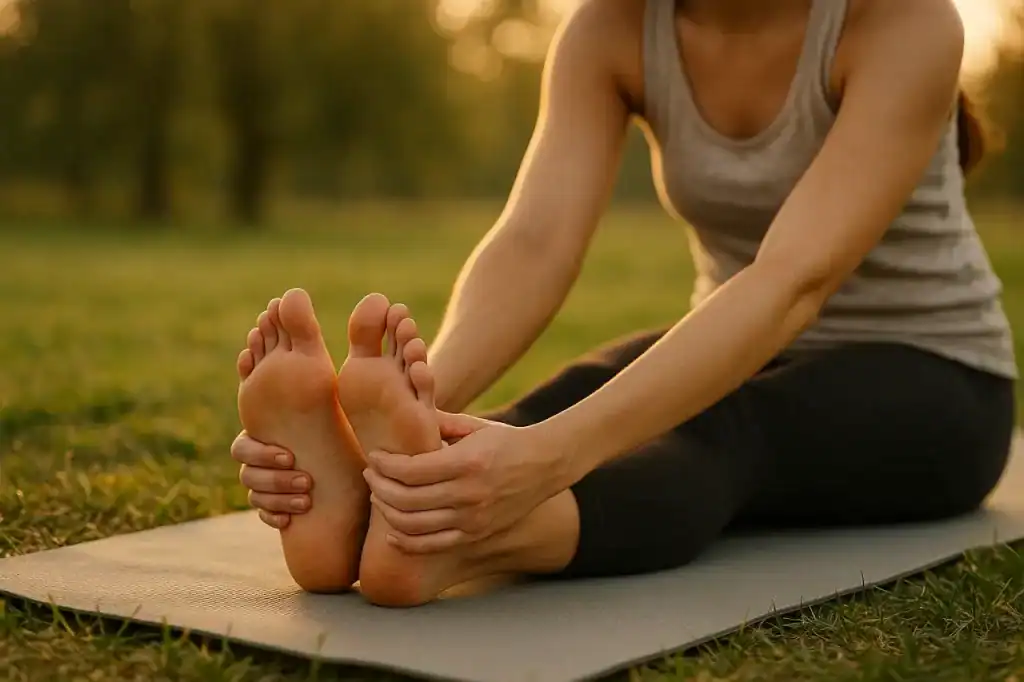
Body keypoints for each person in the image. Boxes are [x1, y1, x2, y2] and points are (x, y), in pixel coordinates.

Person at [231, 0, 1018, 608]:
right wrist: (424, 397)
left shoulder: (902, 22)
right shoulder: (610, 30)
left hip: (935, 384)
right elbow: (537, 242)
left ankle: (463, 541)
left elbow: (792, 283)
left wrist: (552, 459)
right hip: (750, 344)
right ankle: (377, 497)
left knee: (717, 428)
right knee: (579, 390)